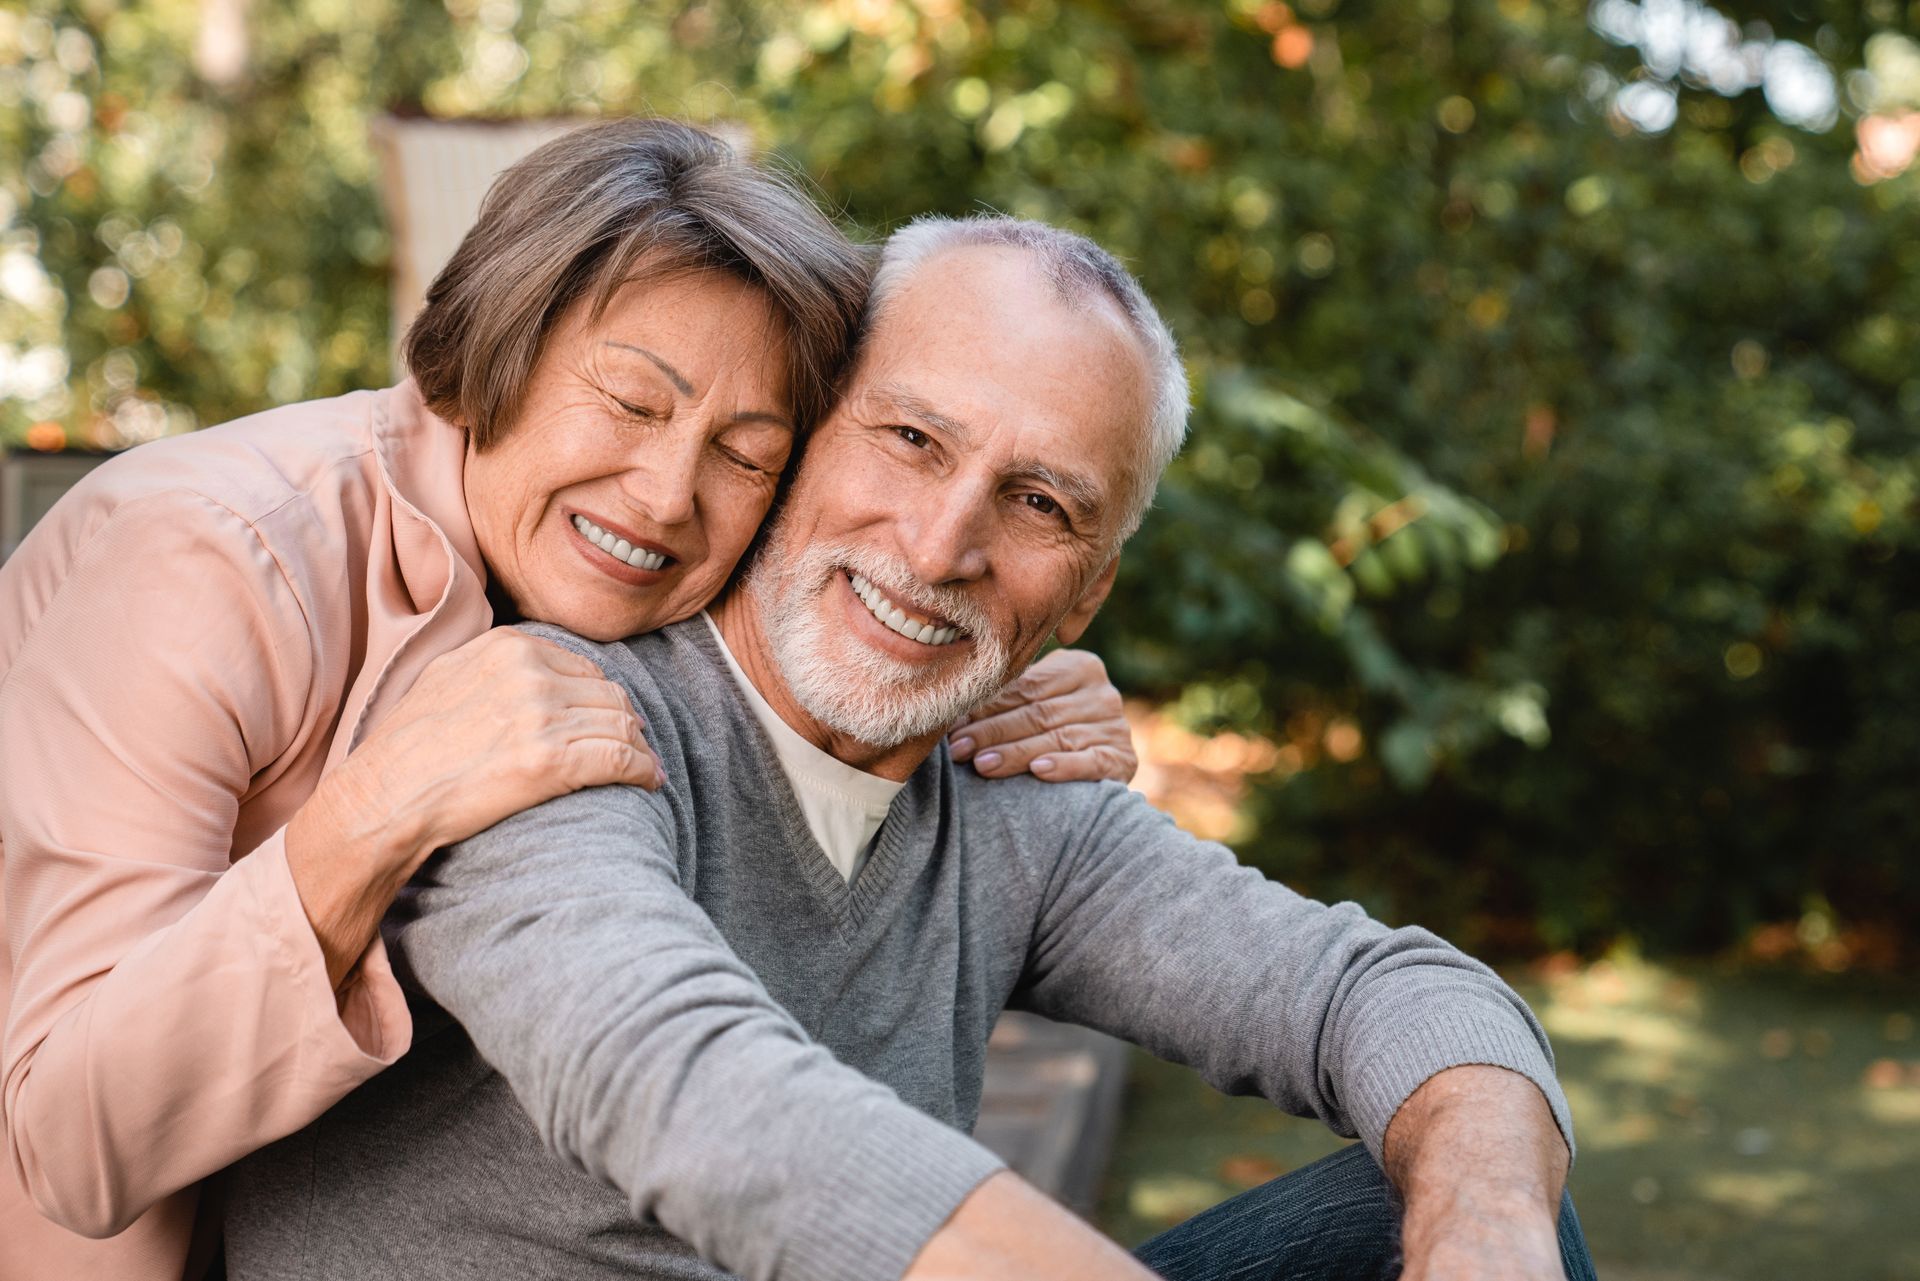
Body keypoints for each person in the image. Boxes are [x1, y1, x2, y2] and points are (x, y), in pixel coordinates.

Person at [223, 216, 1593, 1281]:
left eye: (1040, 501)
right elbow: (690, 1088)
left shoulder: (1012, 800)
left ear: (1087, 591)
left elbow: (1376, 987)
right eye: (912, 438)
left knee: (1436, 1188)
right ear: (802, 434)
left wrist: (1488, 1224)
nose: (941, 547)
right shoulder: (546, 719)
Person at [0, 123, 1137, 1281]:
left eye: (746, 453)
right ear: (504, 349)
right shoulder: (211, 560)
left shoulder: (612, 573)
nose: (663, 496)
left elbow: (861, 596)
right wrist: (374, 812)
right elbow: (70, 1144)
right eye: (634, 403)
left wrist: (983, 669)